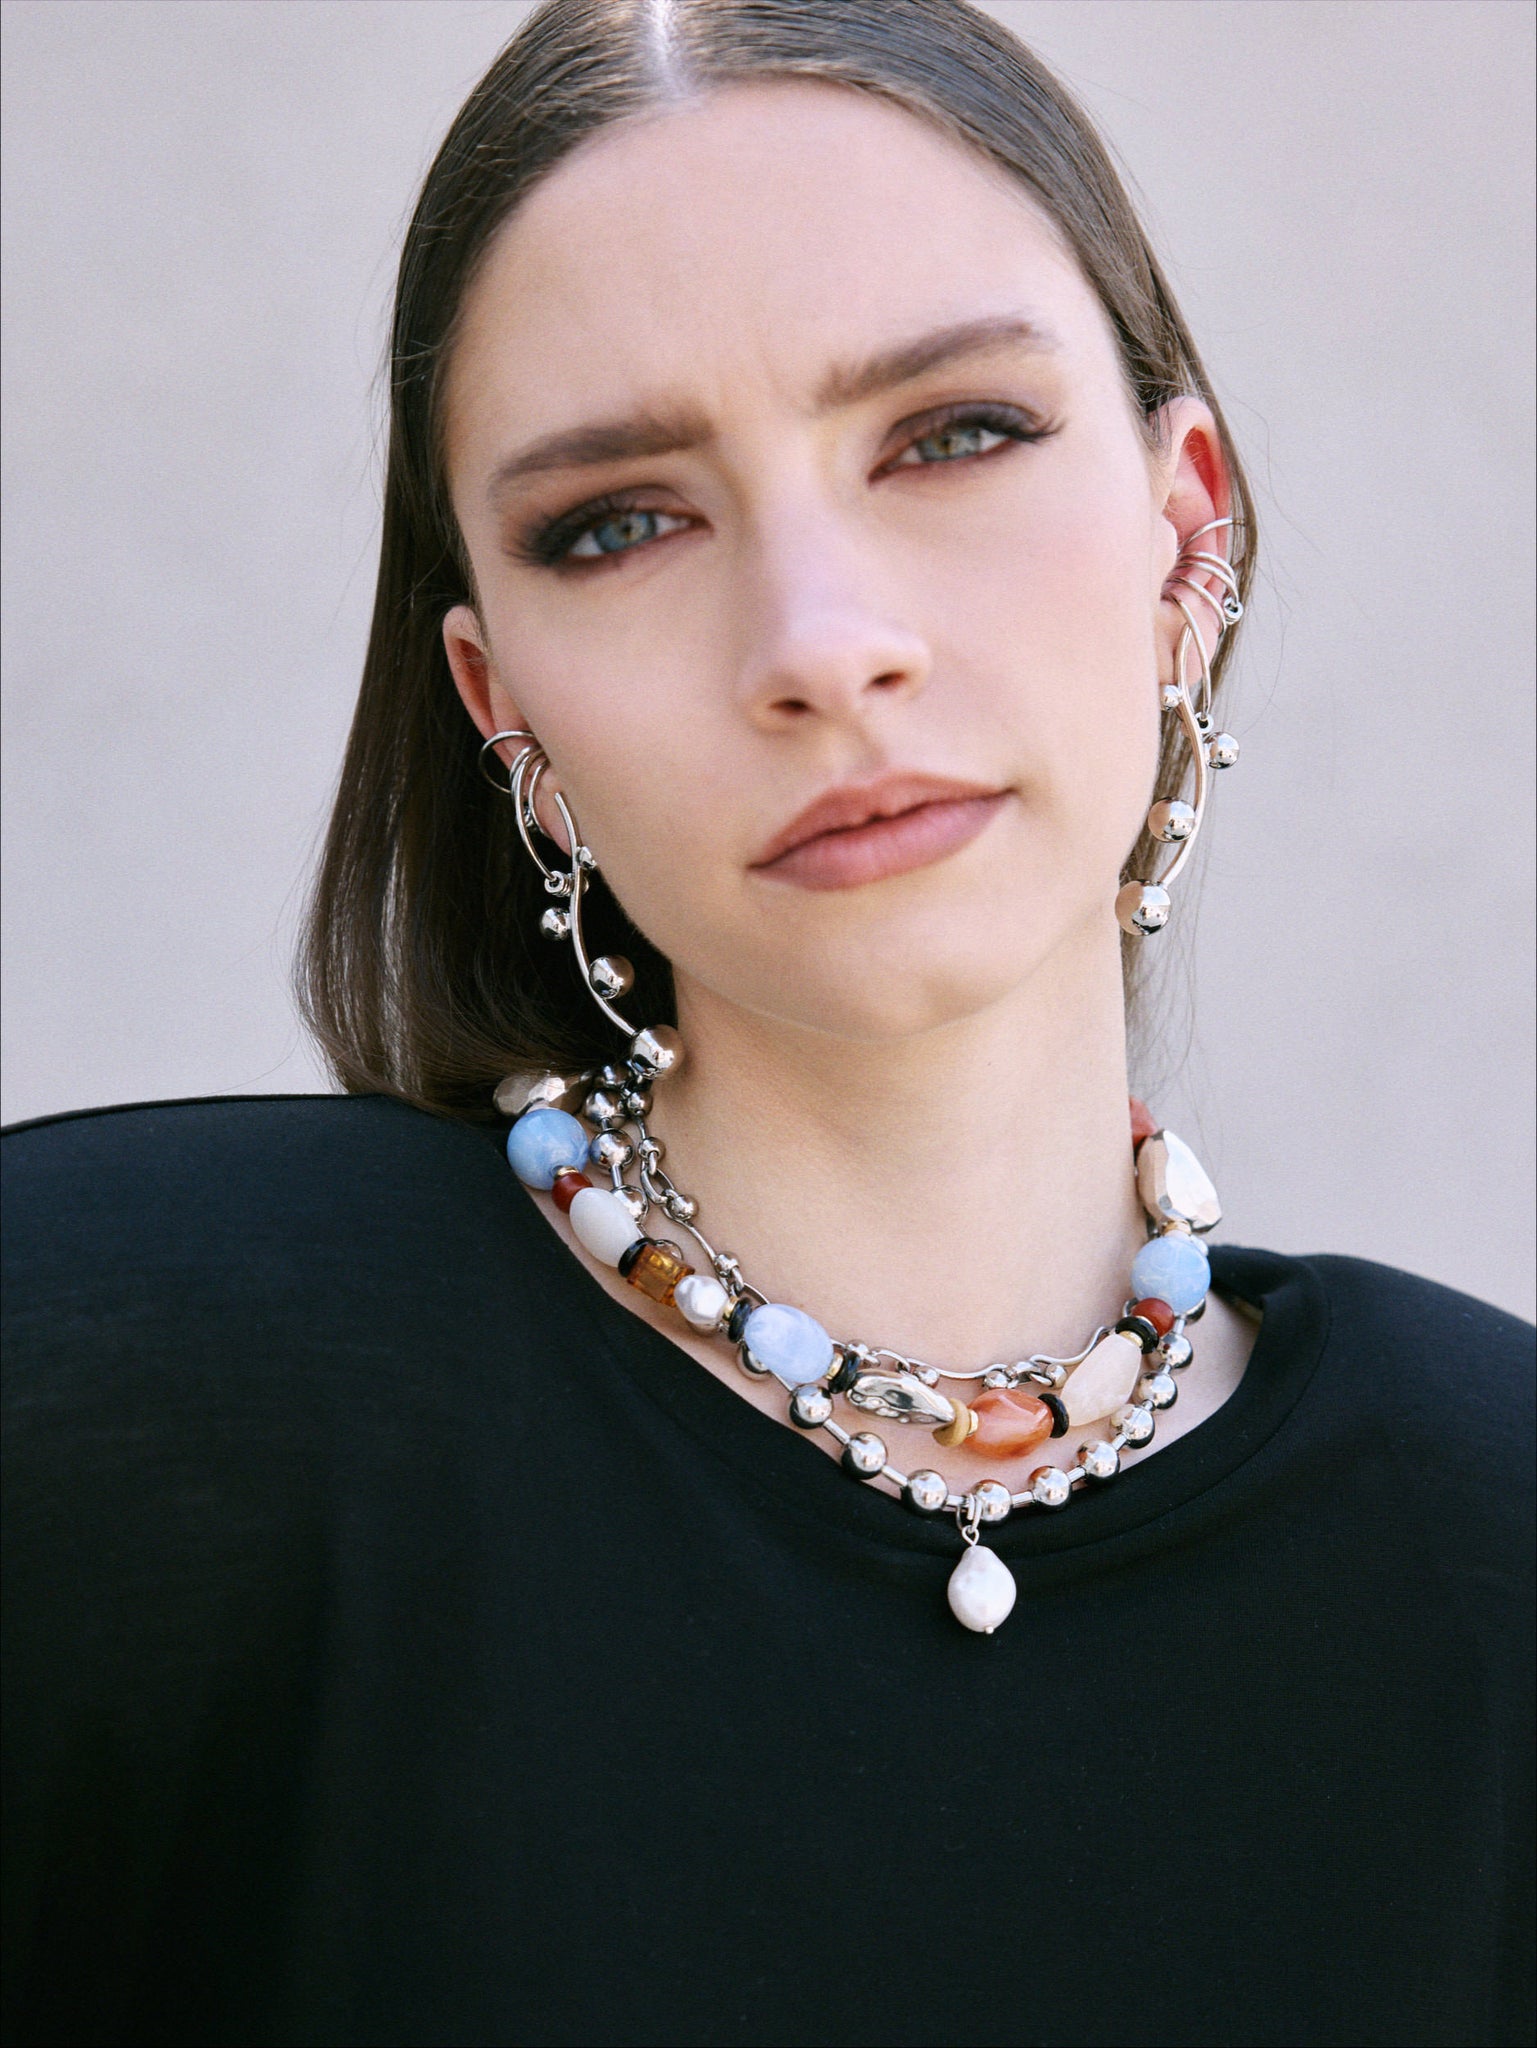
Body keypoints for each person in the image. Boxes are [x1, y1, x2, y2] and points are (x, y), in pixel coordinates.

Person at [3, 3, 1531, 2044]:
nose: (821, 645)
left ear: (1188, 531)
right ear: (502, 708)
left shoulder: (1490, 1542)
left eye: (952, 433)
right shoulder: (113, 1392)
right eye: (619, 523)